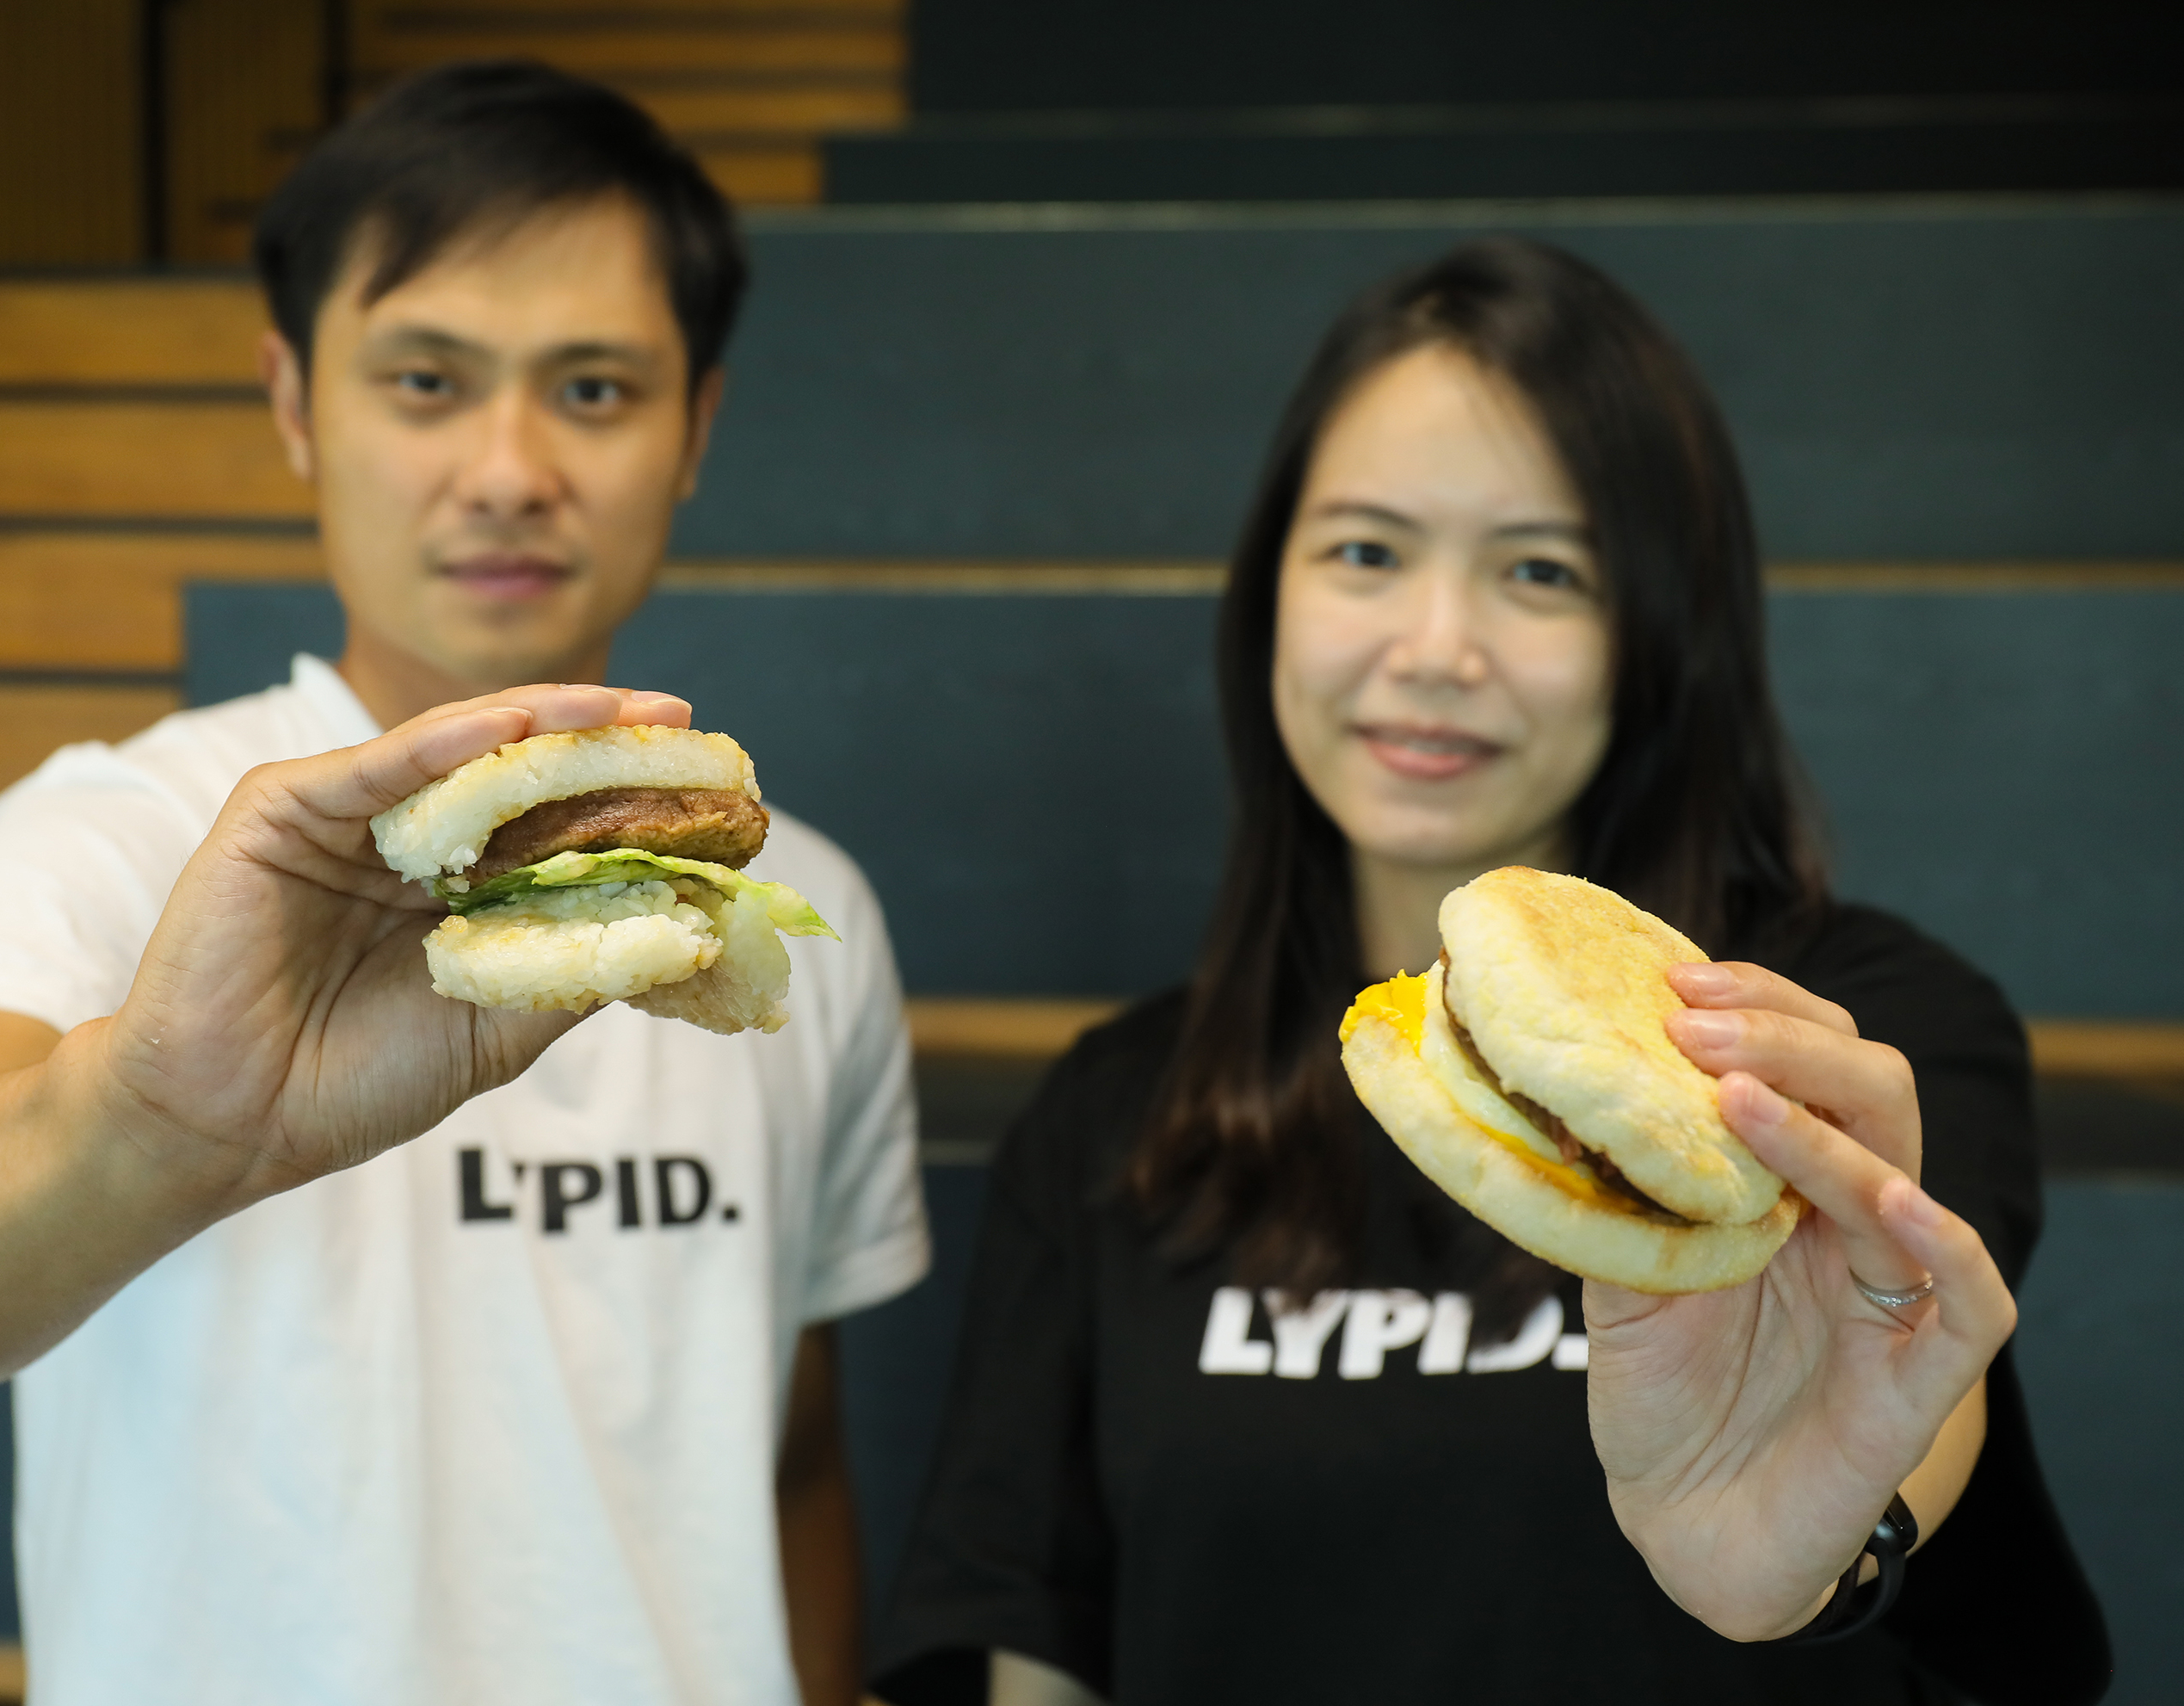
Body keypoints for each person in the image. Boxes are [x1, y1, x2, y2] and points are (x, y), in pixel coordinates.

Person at [0, 63, 927, 1706]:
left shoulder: (809, 911)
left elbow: (785, 1449)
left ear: (695, 429)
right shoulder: (119, 836)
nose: (507, 469)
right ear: (295, 403)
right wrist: (155, 1126)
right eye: (426, 380)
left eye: (593, 389)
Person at [872, 239, 2109, 1706]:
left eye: (1540, 571)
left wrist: (1815, 1545)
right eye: (1366, 553)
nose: (1435, 648)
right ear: (1270, 595)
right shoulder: (1115, 1110)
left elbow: (1915, 1405)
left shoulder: (1846, 1035)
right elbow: (1034, 1646)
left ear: (1660, 631)